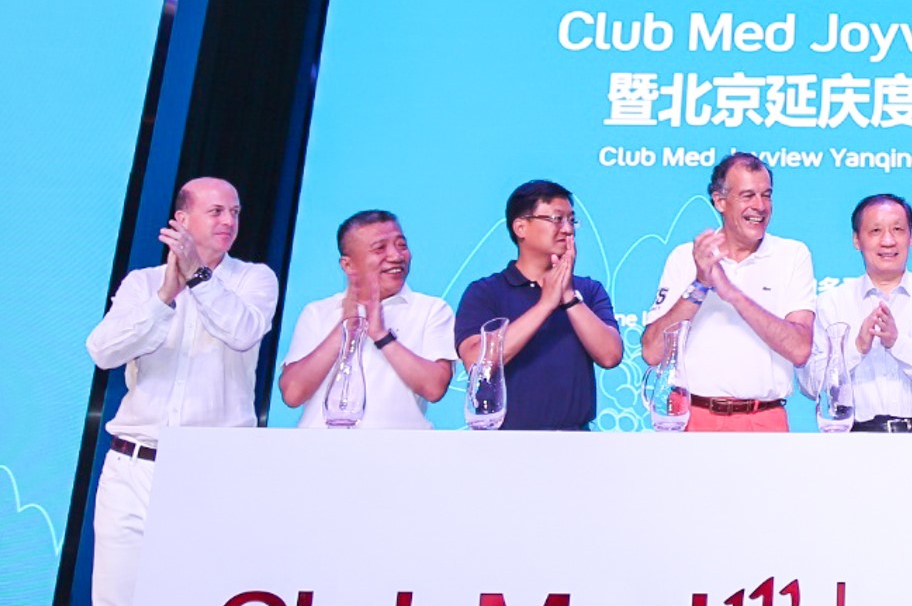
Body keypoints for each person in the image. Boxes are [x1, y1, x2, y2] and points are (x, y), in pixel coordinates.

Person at [72, 177, 278, 606]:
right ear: (180, 219)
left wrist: (199, 278)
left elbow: (243, 333)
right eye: (214, 210)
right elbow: (104, 351)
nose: (228, 220)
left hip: (213, 472)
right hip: (133, 465)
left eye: (235, 211)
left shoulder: (253, 280)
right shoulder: (141, 284)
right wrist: (168, 288)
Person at [640, 153, 815, 432]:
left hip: (763, 418)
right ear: (720, 201)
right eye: (748, 196)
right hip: (692, 417)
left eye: (766, 195)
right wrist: (700, 284)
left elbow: (800, 349)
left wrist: (731, 293)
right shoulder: (685, 257)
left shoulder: (792, 254)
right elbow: (652, 352)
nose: (760, 206)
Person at [453, 180, 622, 431]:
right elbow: (477, 362)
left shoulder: (588, 290)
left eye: (572, 220)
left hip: (575, 440)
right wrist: (545, 305)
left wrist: (568, 296)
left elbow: (610, 355)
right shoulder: (485, 292)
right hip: (503, 441)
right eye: (556, 219)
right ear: (520, 227)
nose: (568, 230)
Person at [277, 210, 456, 428]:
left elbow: (434, 387)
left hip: (397, 445)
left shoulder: (431, 310)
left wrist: (381, 336)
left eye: (401, 245)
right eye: (380, 248)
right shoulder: (318, 312)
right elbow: (292, 393)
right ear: (348, 265)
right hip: (319, 444)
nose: (396, 256)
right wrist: (346, 328)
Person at [799, 193, 912, 431]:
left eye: (898, 230)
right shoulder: (831, 304)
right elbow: (810, 384)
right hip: (854, 436)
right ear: (857, 240)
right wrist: (856, 348)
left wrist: (898, 344)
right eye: (875, 231)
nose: (888, 241)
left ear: (911, 237)